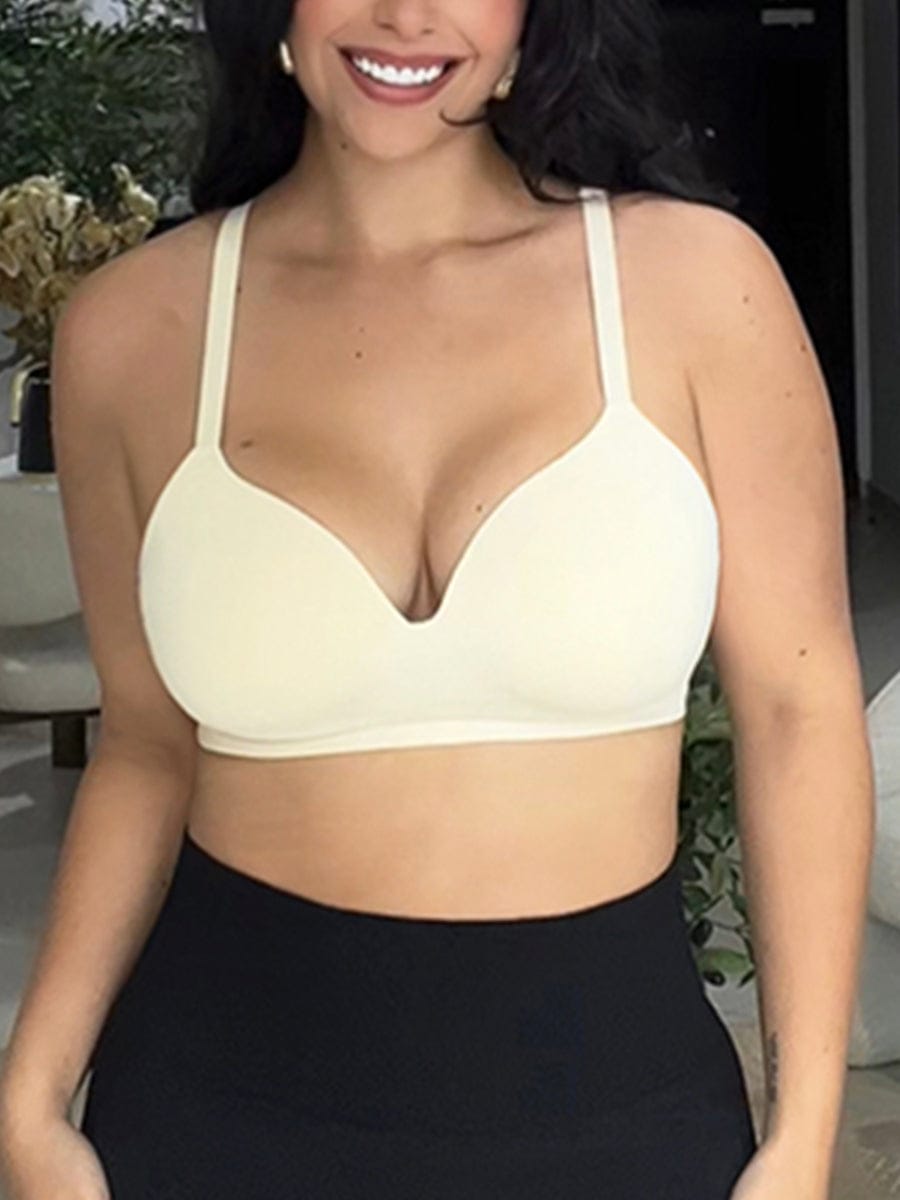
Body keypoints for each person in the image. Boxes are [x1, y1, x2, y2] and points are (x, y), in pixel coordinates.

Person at [0, 1, 874, 1198]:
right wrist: (31, 1098)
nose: (407, 14)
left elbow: (798, 711)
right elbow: (146, 744)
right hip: (212, 1117)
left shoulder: (695, 288)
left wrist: (804, 1138)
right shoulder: (135, 331)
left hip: (624, 1121)